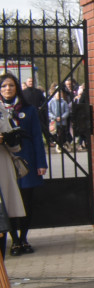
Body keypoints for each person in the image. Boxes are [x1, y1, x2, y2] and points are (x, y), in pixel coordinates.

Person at [0, 74, 43, 256]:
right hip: (5, 161)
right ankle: (14, 241)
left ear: (17, 87)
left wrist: (41, 162)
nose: (7, 89)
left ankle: (24, 237)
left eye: (10, 85)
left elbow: (36, 137)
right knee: (8, 201)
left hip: (27, 159)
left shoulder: (29, 109)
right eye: (3, 86)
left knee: (27, 201)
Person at [0, 100, 26, 259]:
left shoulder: (2, 110)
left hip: (2, 168)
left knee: (2, 223)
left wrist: (9, 139)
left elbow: (15, 148)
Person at [47, 86, 70, 152]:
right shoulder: (51, 102)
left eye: (60, 94)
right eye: (57, 94)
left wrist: (62, 117)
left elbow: (67, 111)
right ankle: (61, 144)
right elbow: (49, 111)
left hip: (62, 122)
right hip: (54, 122)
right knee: (55, 134)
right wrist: (54, 117)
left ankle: (59, 145)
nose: (59, 95)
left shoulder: (64, 102)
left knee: (61, 134)